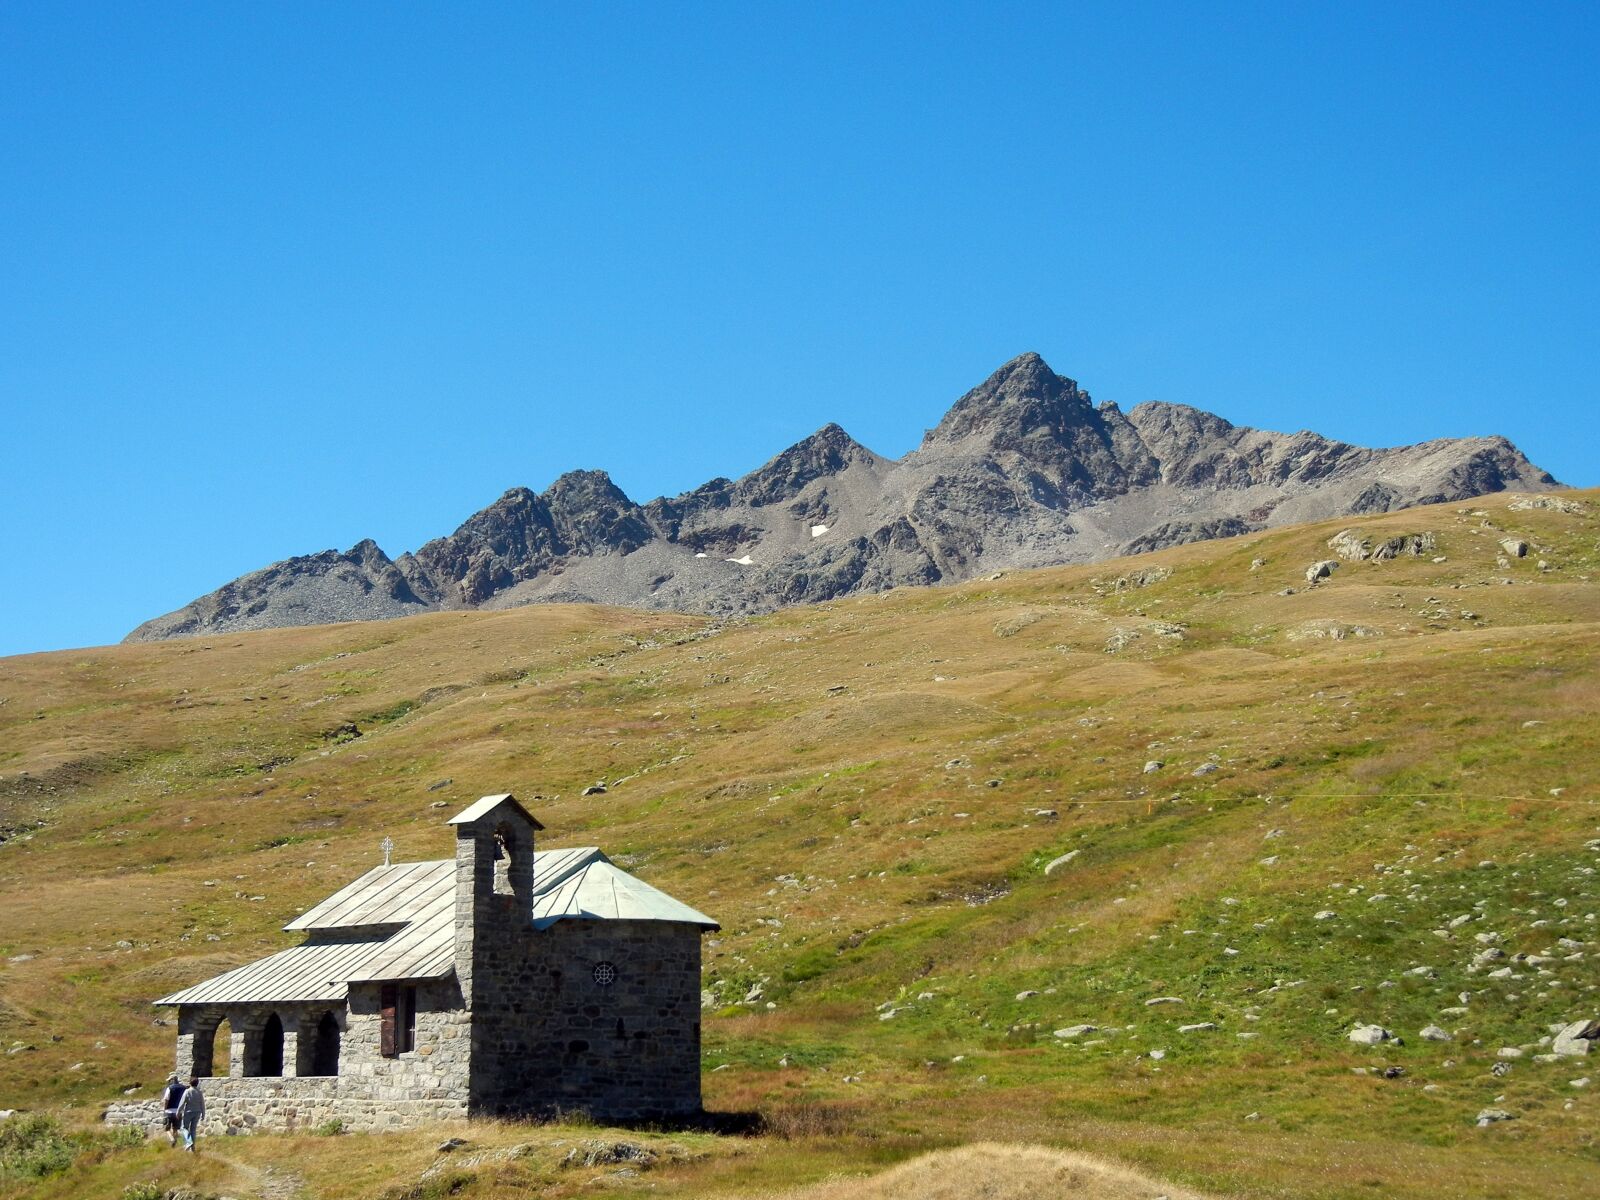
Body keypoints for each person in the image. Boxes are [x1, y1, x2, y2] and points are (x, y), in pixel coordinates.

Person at [175, 1076, 205, 1152]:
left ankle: (188, 1142)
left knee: (184, 1128)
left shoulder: (187, 1091)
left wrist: (178, 1112)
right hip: (197, 1112)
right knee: (193, 1129)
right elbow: (202, 1103)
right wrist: (203, 1113)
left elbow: (182, 1103)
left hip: (188, 1112)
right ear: (197, 1083)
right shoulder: (199, 1092)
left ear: (190, 1083)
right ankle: (193, 1147)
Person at [160, 1074, 186, 1147]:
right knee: (175, 1128)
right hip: (179, 1111)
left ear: (172, 1080)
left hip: (169, 1111)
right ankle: (175, 1143)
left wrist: (164, 1110)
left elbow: (166, 1099)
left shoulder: (170, 1088)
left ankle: (172, 1139)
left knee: (167, 1128)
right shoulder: (183, 1088)